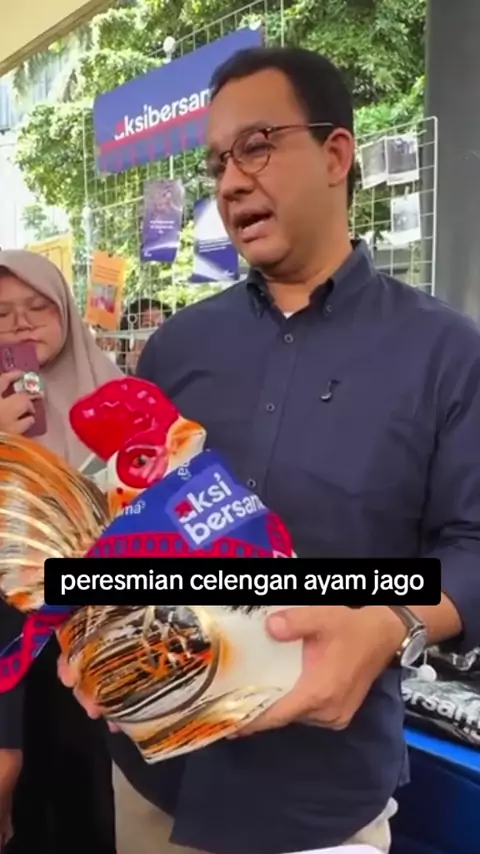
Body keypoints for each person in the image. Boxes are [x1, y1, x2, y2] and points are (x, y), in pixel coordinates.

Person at [60, 46, 480, 854]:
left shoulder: (447, 353)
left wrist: (390, 619)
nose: (229, 182)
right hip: (155, 772)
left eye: (255, 145)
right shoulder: (177, 348)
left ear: (335, 154)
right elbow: (131, 519)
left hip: (321, 801)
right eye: (218, 162)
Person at [0, 249, 120, 854]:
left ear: (67, 313)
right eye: (1, 313)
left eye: (37, 307)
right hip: (8, 639)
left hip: (94, 624)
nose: (21, 324)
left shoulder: (116, 393)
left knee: (90, 786)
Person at [117, 298, 168, 374]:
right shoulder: (115, 369)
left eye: (161, 325)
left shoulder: (170, 363)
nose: (156, 330)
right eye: (147, 325)